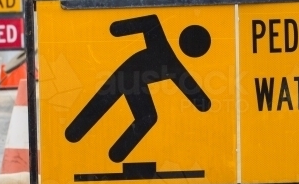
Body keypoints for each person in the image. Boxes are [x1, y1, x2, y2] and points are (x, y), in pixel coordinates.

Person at [66, 15, 212, 163]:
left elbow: (149, 22)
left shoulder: (165, 50)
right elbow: (194, 92)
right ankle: (114, 154)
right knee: (146, 117)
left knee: (107, 104)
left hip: (127, 74)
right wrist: (202, 102)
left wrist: (116, 29)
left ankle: (87, 140)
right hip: (129, 76)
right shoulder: (173, 63)